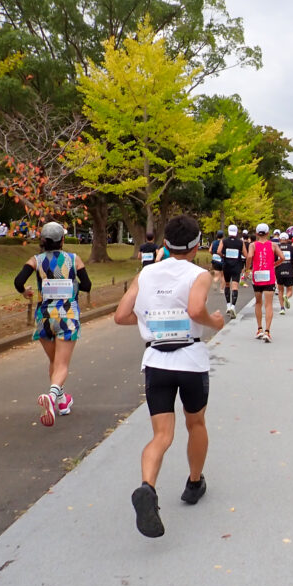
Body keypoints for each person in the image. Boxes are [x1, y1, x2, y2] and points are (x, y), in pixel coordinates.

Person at [114, 214, 225, 538]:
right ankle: (194, 483)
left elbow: (121, 315)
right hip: (190, 360)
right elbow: (194, 310)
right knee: (196, 423)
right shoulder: (199, 274)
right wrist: (214, 322)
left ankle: (147, 486)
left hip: (156, 361)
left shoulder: (146, 274)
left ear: (165, 243)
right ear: (196, 245)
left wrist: (149, 318)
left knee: (161, 435)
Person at [14, 222, 91, 426]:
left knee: (54, 363)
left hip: (44, 318)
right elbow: (88, 285)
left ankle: (62, 402)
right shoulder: (74, 260)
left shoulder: (36, 260)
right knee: (62, 365)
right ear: (62, 241)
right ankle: (51, 395)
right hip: (67, 317)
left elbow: (18, 281)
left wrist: (25, 292)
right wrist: (72, 284)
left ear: (43, 241)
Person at [246, 222, 284, 342]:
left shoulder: (253, 245)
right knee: (269, 304)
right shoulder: (273, 245)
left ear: (257, 233)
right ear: (268, 233)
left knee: (258, 303)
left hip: (257, 276)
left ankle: (259, 329)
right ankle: (267, 331)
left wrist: (248, 269)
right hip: (269, 276)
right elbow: (282, 257)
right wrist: (274, 264)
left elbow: (249, 257)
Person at [220, 224, 246, 318]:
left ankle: (227, 305)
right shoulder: (240, 242)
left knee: (227, 284)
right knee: (235, 285)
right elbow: (245, 254)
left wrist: (223, 256)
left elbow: (219, 251)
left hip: (226, 265)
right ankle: (233, 306)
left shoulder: (224, 241)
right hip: (236, 266)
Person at [275, 232, 293, 314]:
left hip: (279, 270)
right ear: (287, 239)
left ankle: (282, 308)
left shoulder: (276, 247)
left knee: (280, 290)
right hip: (289, 270)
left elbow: (273, 259)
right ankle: (286, 296)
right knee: (290, 290)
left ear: (279, 239)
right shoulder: (290, 247)